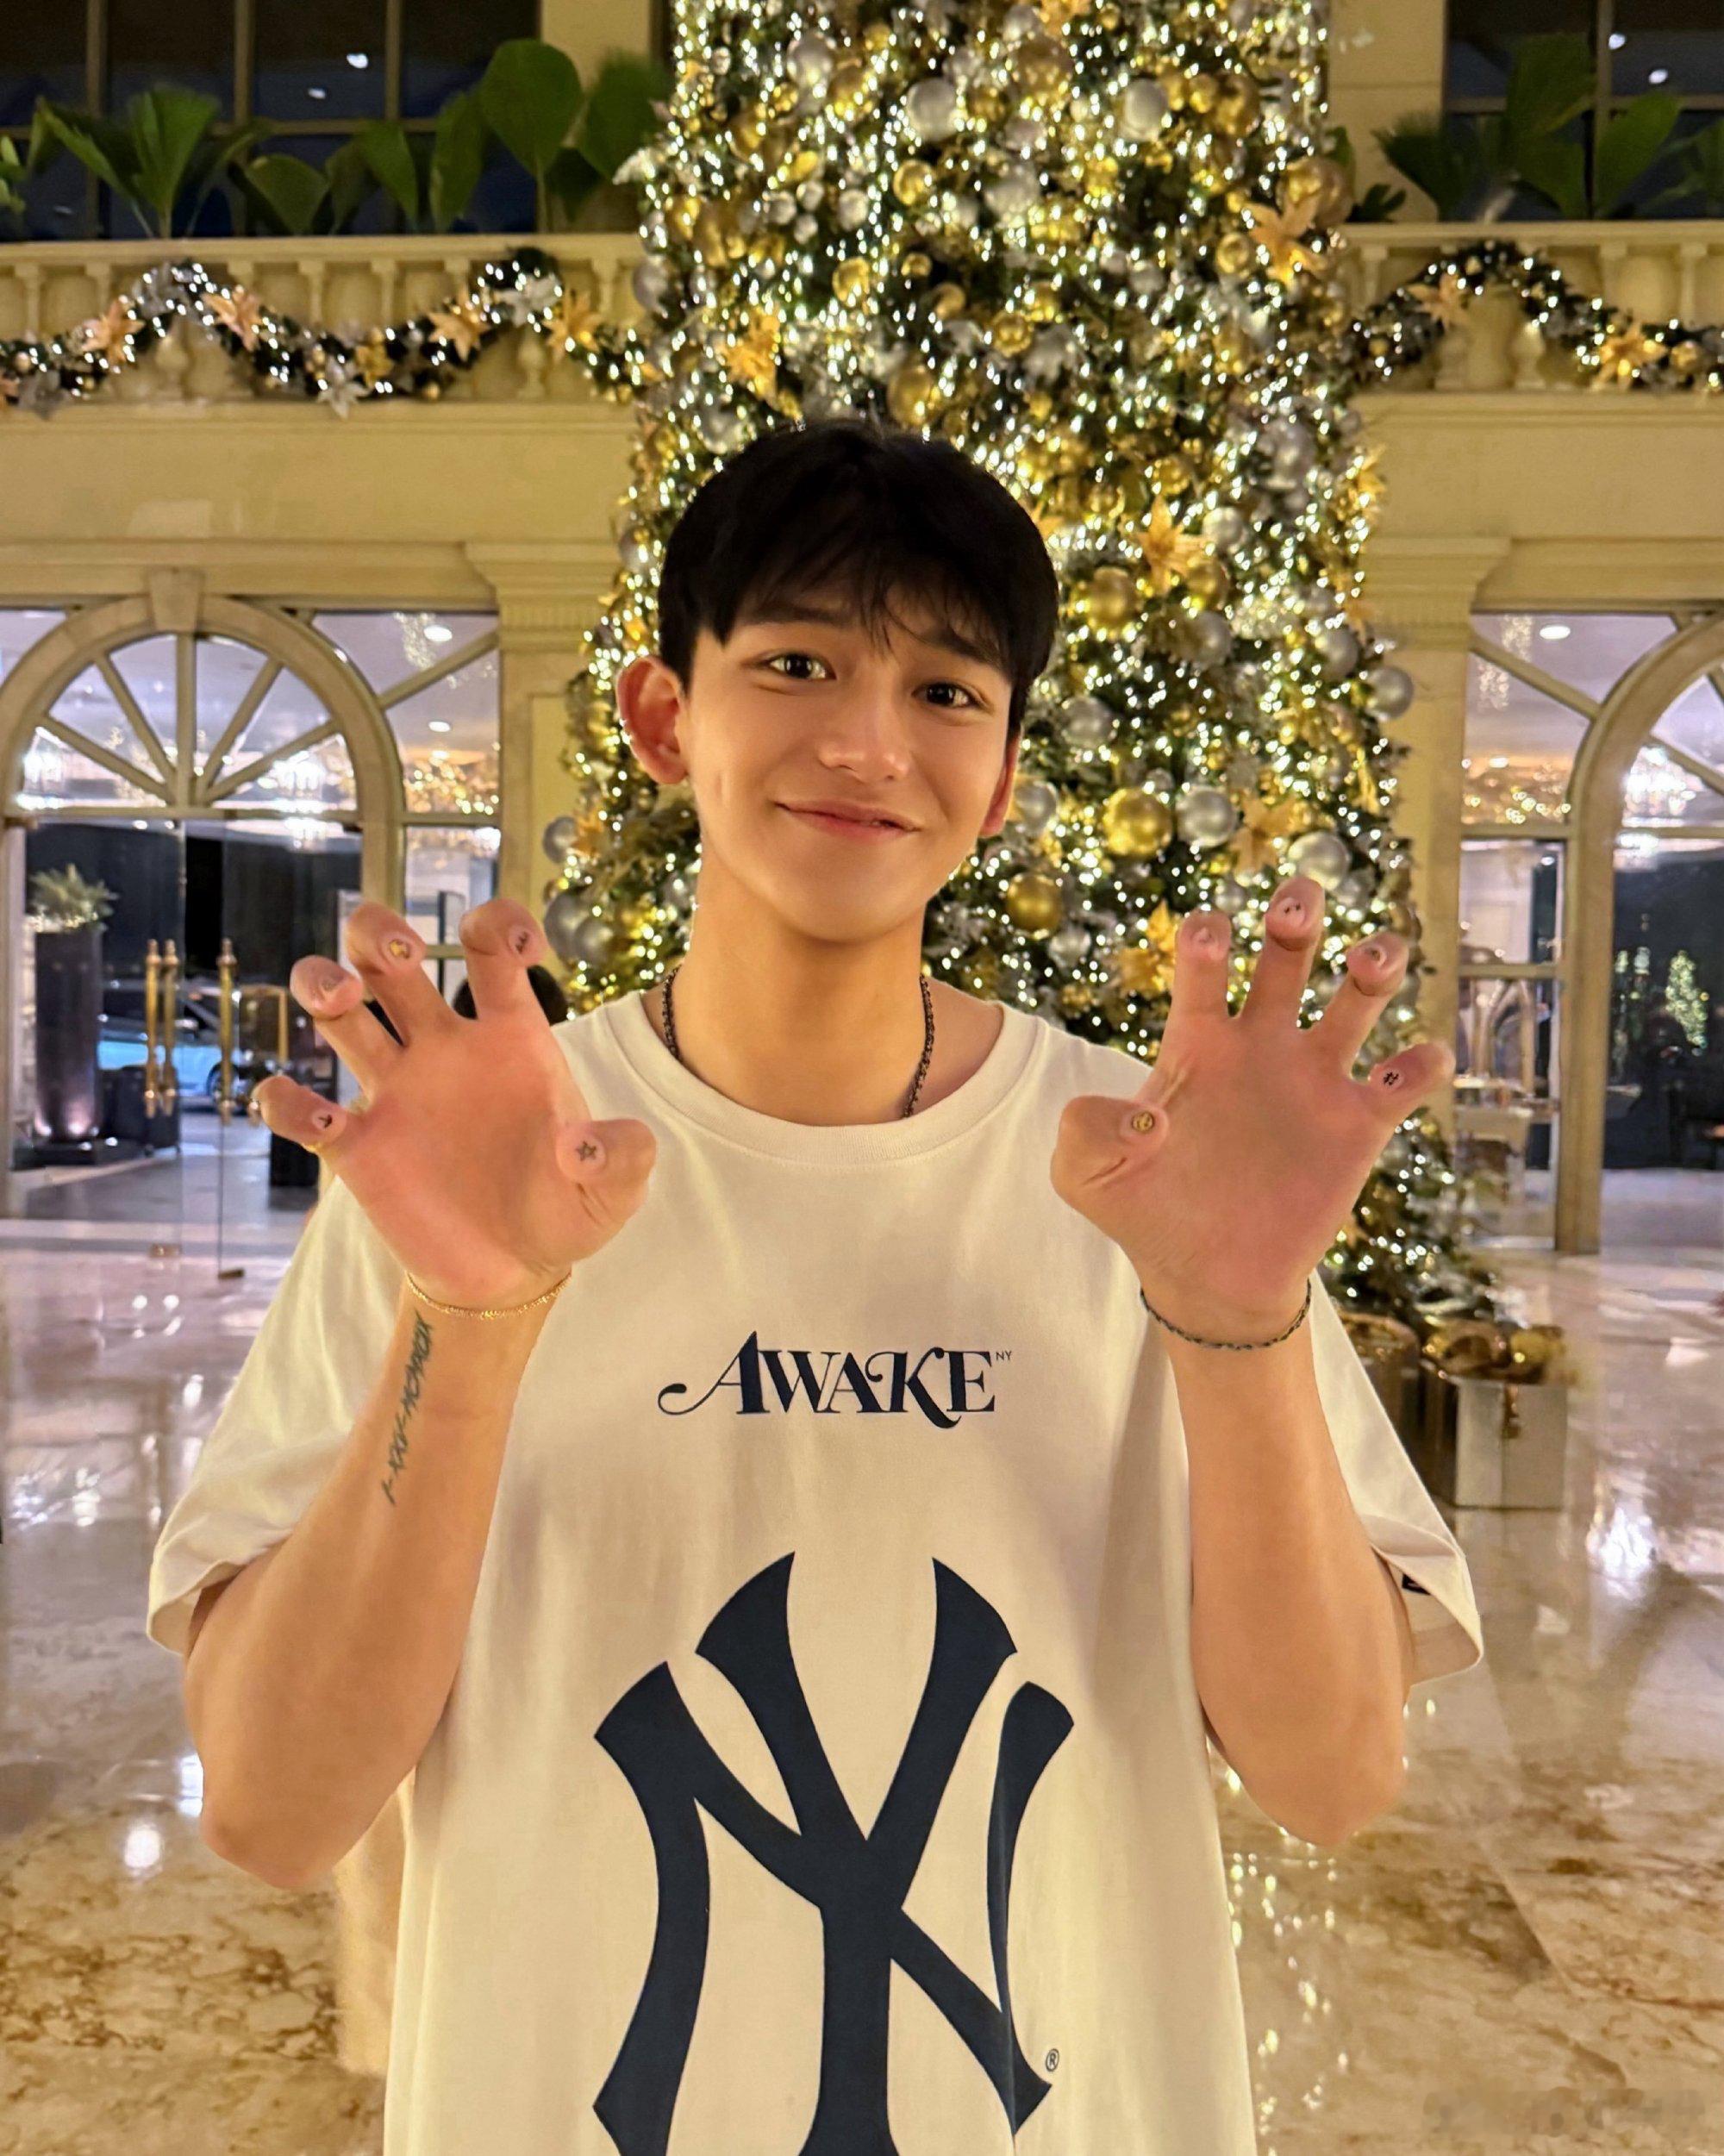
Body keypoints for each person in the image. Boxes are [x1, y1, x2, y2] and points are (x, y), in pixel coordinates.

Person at [147, 416, 1483, 2155]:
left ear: (1000, 780)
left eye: (945, 690)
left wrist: (1236, 1324)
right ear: (663, 718)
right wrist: (466, 1325)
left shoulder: (1145, 1169)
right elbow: (270, 1803)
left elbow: (1332, 1776)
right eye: (795, 662)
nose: (867, 741)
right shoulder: (481, 1166)